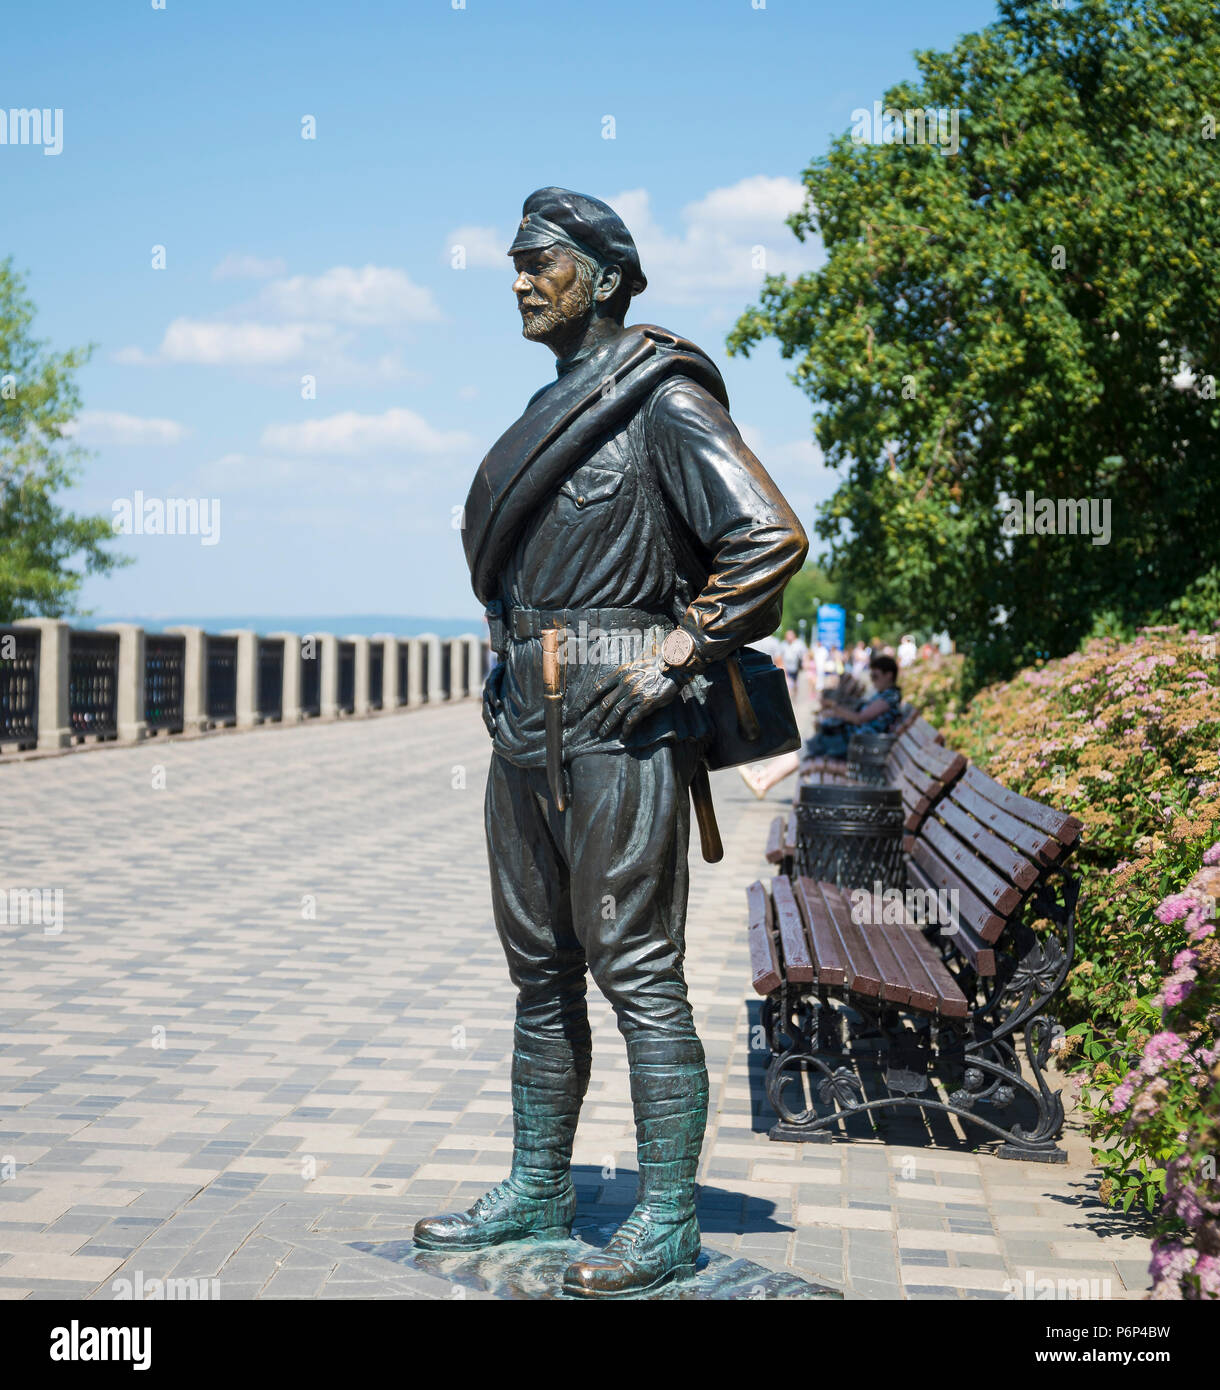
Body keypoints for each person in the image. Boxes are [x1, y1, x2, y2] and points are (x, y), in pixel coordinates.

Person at [413, 187, 808, 1297]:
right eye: (514, 259)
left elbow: (766, 541)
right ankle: (538, 1184)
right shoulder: (550, 409)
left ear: (605, 273)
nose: (519, 277)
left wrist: (674, 656)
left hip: (620, 714)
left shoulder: (660, 399)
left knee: (636, 967)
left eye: (540, 259)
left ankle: (668, 1217)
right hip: (523, 716)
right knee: (538, 967)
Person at [738, 655, 902, 798]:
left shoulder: (889, 697)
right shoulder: (884, 695)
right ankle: (762, 778)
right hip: (857, 744)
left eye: (875, 676)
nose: (873, 680)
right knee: (808, 747)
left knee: (808, 748)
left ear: (889, 675)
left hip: (858, 746)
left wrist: (836, 709)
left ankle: (763, 781)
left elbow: (860, 719)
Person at [778, 628, 806, 697]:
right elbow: (779, 656)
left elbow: (805, 654)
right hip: (786, 668)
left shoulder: (799, 643)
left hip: (796, 668)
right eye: (788, 635)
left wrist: (805, 662)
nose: (789, 637)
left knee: (796, 684)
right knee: (788, 684)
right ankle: (789, 698)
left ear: (794, 636)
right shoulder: (783, 644)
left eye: (790, 635)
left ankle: (795, 695)